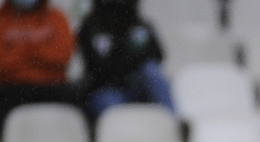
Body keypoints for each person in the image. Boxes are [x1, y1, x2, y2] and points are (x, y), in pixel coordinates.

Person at [75, 0, 174, 119]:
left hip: (134, 86)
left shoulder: (140, 25)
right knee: (111, 104)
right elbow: (99, 67)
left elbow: (158, 55)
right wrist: (131, 55)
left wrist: (124, 56)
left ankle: (174, 122)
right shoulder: (91, 27)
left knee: (151, 70)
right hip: (106, 89)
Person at [0, 0, 79, 129]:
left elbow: (63, 56)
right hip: (11, 88)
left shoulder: (56, 17)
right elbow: (2, 64)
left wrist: (22, 52)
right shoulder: (2, 19)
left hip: (52, 86)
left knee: (77, 101)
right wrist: (40, 53)